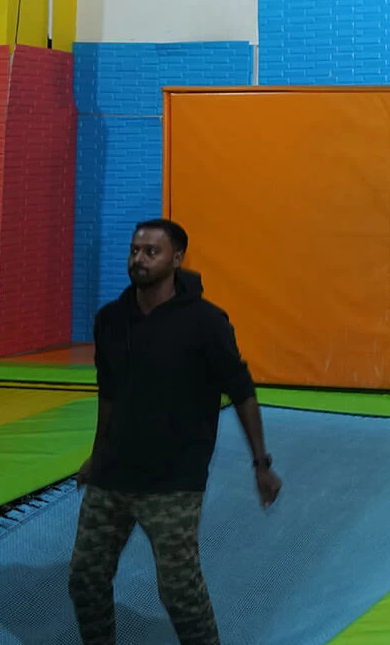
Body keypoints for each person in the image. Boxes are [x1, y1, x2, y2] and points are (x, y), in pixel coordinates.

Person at [68, 218, 282, 645]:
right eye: (134, 250)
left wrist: (261, 463)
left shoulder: (205, 322)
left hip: (173, 481)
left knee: (179, 592)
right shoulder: (111, 319)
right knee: (85, 579)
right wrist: (97, 453)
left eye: (151, 251)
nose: (139, 259)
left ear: (177, 258)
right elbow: (108, 393)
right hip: (113, 474)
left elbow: (240, 389)